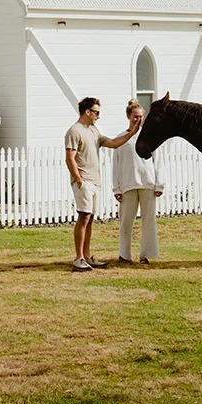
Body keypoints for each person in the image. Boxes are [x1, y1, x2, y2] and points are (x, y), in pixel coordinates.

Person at [64, 96, 141, 272]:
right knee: (83, 217)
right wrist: (78, 179)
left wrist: (132, 132)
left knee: (90, 219)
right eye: (96, 112)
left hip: (94, 181)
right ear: (87, 112)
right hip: (84, 181)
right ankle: (78, 258)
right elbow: (70, 158)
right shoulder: (74, 131)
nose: (99, 116)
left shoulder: (93, 131)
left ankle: (87, 255)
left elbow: (113, 143)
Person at [112, 99, 164, 264]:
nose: (138, 120)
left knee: (149, 221)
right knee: (126, 221)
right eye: (135, 116)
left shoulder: (150, 136)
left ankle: (146, 255)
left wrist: (159, 184)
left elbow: (159, 161)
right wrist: (116, 188)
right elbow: (116, 164)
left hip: (148, 183)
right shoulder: (121, 138)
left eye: (141, 116)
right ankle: (124, 255)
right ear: (128, 116)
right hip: (128, 184)